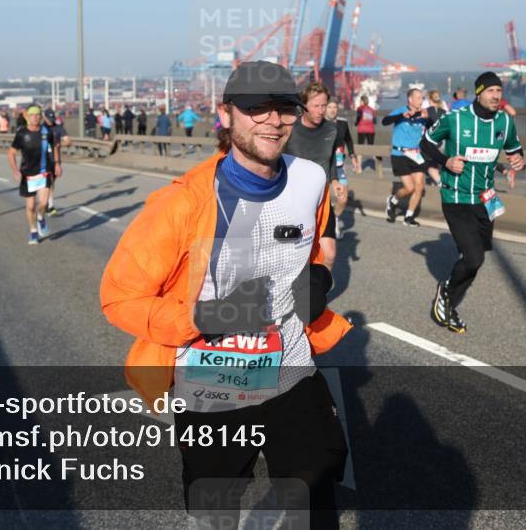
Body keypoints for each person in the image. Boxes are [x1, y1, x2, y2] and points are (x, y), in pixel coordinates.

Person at [100, 61, 351, 529]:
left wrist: (319, 277)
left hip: (291, 369)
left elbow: (311, 247)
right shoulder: (183, 203)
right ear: (226, 114)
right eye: (256, 108)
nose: (273, 121)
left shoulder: (311, 179)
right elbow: (119, 297)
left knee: (316, 502)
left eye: (285, 109)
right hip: (213, 385)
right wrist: (204, 316)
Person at [420, 72, 525, 334]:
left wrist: (516, 161)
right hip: (456, 196)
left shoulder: (504, 121)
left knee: (476, 258)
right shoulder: (455, 118)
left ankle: (448, 303)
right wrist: (445, 161)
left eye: (499, 91)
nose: (497, 96)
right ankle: (446, 294)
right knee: (474, 257)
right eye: (491, 91)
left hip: (485, 198)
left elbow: (513, 148)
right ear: (479, 93)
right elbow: (426, 143)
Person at [284, 83, 342, 269]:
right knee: (295, 255)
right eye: (316, 106)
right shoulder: (290, 129)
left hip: (321, 200)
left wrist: (334, 180)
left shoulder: (331, 130)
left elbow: (331, 158)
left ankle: (319, 295)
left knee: (330, 254)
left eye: (324, 105)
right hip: (292, 202)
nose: (321, 110)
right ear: (303, 106)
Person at [8, 105, 61, 245]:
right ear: (27, 117)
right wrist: (15, 170)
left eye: (38, 115)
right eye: (33, 115)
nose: (36, 117)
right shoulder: (21, 134)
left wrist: (56, 163)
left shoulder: (46, 131)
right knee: (30, 206)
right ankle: (33, 231)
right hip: (27, 175)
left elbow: (55, 146)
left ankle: (40, 218)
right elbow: (11, 153)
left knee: (43, 204)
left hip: (44, 173)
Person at [382, 88, 431, 227]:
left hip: (416, 154)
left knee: (419, 186)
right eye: (418, 98)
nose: (421, 100)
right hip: (400, 154)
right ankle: (393, 201)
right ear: (410, 99)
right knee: (409, 188)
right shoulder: (401, 110)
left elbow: (434, 127)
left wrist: (429, 118)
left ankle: (408, 216)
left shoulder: (423, 114)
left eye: (422, 98)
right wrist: (402, 116)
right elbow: (385, 121)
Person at [325, 100, 360, 238]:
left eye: (335, 107)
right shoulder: (319, 125)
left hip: (339, 166)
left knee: (343, 199)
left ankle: (334, 219)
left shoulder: (343, 123)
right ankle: (324, 225)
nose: (333, 110)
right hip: (323, 167)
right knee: (321, 200)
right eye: (330, 107)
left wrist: (353, 157)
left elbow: (349, 140)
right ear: (324, 108)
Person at [44, 114, 71, 217]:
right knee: (47, 182)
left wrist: (60, 144)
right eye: (48, 119)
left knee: (51, 182)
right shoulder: (41, 128)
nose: (50, 121)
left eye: (52, 119)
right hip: (43, 159)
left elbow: (68, 141)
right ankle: (49, 205)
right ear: (44, 117)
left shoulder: (59, 128)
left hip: (55, 159)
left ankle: (48, 204)